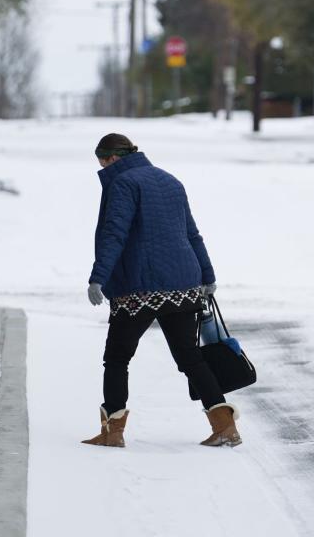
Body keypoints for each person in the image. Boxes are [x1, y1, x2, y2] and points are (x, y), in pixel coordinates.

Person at [82, 133, 242, 448]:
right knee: (190, 358)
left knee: (116, 358)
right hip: (183, 285)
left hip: (140, 287)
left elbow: (114, 233)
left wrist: (97, 277)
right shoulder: (170, 181)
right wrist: (207, 275)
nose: (100, 166)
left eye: (101, 160)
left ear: (112, 157)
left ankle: (112, 432)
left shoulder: (123, 184)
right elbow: (192, 234)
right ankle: (225, 427)